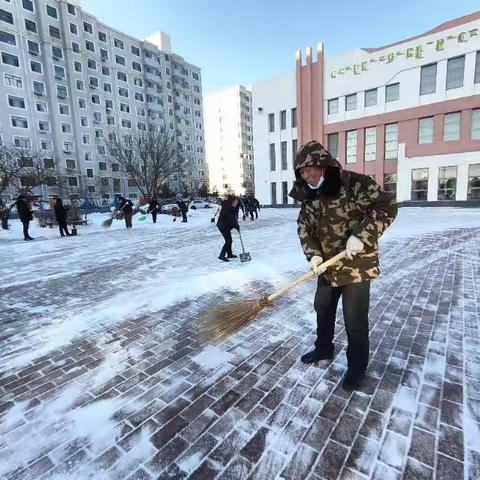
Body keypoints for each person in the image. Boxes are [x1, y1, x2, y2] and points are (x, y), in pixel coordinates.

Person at [289, 141, 397, 391]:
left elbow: (387, 206)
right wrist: (314, 255)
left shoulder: (355, 184)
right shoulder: (309, 194)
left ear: (322, 164)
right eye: (301, 172)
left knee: (354, 320)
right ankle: (324, 348)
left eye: (309, 169)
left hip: (356, 265)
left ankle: (356, 368)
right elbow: (304, 227)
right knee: (322, 308)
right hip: (327, 265)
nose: (306, 175)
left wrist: (361, 235)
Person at [217, 195, 240, 262]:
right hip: (223, 226)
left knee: (229, 240)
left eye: (236, 202)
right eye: (235, 202)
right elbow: (230, 218)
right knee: (228, 241)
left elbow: (234, 218)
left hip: (225, 226)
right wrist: (236, 226)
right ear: (231, 201)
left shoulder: (230, 207)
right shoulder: (227, 208)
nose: (236, 203)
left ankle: (229, 254)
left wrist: (237, 225)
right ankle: (221, 255)